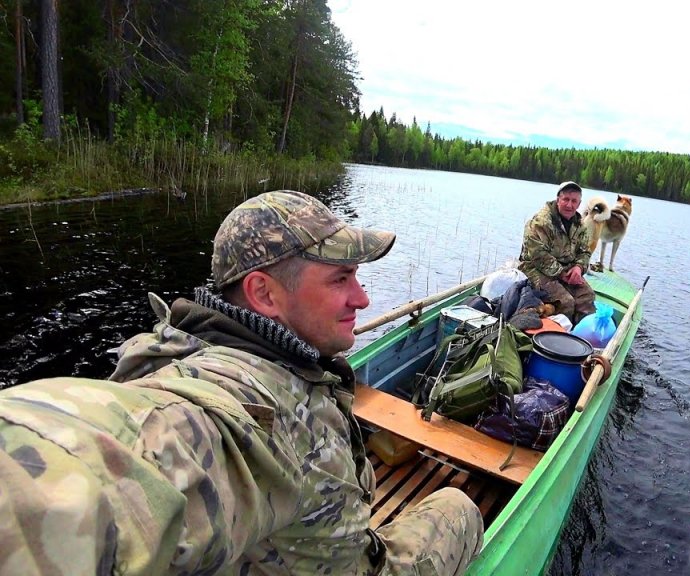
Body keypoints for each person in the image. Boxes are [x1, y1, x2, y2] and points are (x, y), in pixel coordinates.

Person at [0, 191, 483, 575]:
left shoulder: (178, 347)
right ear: (264, 293)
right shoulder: (241, 397)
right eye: (340, 279)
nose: (362, 297)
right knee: (460, 508)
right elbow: (127, 454)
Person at [518, 181, 596, 323]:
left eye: (574, 201)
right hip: (534, 269)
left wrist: (578, 268)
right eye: (566, 199)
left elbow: (584, 252)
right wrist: (561, 273)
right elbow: (538, 255)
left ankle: (580, 334)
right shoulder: (540, 222)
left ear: (579, 204)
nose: (569, 205)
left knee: (587, 296)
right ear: (558, 199)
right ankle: (554, 339)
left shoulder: (580, 225)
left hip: (565, 270)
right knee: (566, 302)